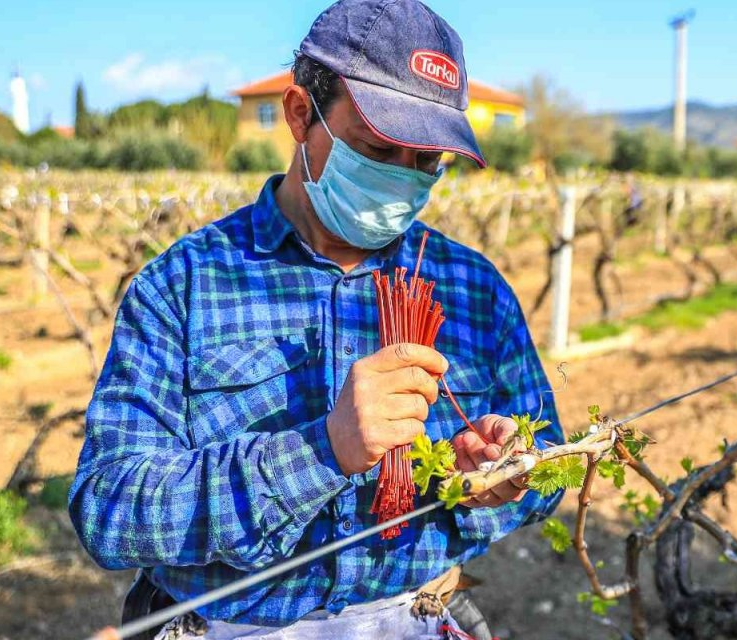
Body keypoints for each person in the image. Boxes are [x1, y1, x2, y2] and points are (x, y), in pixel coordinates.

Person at [68, 1, 563, 638]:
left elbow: (550, 459)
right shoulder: (184, 286)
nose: (404, 181)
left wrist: (504, 475)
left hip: (421, 617)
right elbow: (109, 512)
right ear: (300, 114)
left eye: (428, 163)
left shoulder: (475, 289)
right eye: (380, 149)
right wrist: (319, 451)